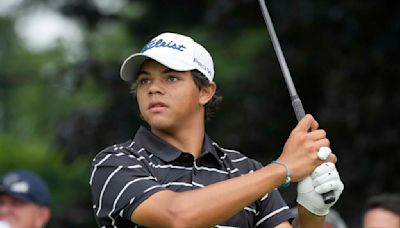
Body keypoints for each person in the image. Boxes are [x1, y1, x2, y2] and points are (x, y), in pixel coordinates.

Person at [89, 32, 344, 227]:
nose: (153, 88)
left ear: (205, 92)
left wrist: (312, 211)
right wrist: (283, 169)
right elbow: (177, 217)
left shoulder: (246, 170)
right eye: (145, 80)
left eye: (171, 77)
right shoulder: (116, 163)